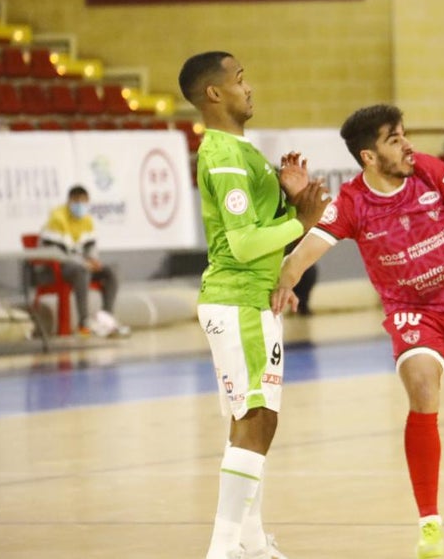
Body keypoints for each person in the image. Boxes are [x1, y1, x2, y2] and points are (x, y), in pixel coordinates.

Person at [274, 104, 444, 559]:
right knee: (421, 384)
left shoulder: (431, 172)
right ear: (369, 157)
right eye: (394, 139)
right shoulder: (353, 202)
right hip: (412, 311)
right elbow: (304, 253)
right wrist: (283, 284)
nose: (407, 144)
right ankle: (430, 526)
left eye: (404, 134)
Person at [178, 50, 330, 559]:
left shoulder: (241, 151)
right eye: (240, 79)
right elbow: (243, 245)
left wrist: (289, 199)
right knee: (258, 419)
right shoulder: (222, 155)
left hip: (250, 300)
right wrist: (302, 223)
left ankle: (251, 543)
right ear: (214, 93)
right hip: (238, 298)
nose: (250, 88)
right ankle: (222, 551)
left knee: (251, 420)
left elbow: (255, 230)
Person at [37, 185, 127, 337]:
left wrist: (93, 261)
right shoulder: (57, 219)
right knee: (82, 271)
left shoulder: (87, 221)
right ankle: (84, 323)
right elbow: (56, 254)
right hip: (56, 269)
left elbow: (90, 248)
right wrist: (83, 263)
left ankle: (106, 319)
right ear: (69, 201)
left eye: (84, 202)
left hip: (81, 264)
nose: (80, 205)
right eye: (76, 201)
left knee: (111, 270)